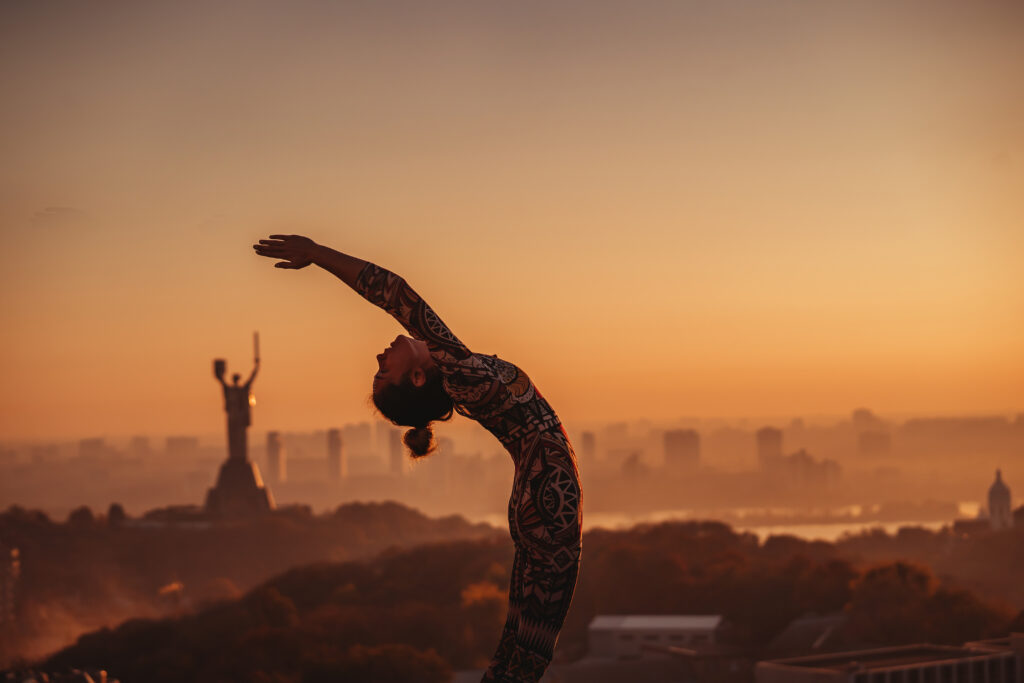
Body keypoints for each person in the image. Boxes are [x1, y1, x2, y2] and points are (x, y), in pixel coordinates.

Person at [253, 234, 582, 682]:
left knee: (520, 653)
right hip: (546, 504)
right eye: (383, 370)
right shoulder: (462, 375)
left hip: (540, 502)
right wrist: (317, 253)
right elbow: (396, 293)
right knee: (527, 653)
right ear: (418, 376)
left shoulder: (461, 376)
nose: (378, 355)